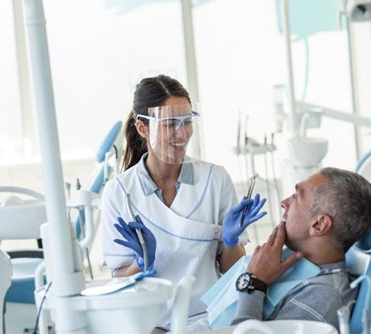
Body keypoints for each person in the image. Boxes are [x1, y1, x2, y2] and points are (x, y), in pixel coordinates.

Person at [100, 74, 267, 330]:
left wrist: (230, 241)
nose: (181, 133)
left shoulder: (215, 179)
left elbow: (231, 268)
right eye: (169, 124)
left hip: (211, 318)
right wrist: (141, 264)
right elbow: (119, 282)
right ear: (143, 128)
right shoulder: (119, 192)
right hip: (153, 323)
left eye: (187, 121)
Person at [231, 167, 371, 332]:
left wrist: (254, 283)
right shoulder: (298, 267)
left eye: (297, 197)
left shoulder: (322, 297)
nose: (284, 203)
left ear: (319, 224)